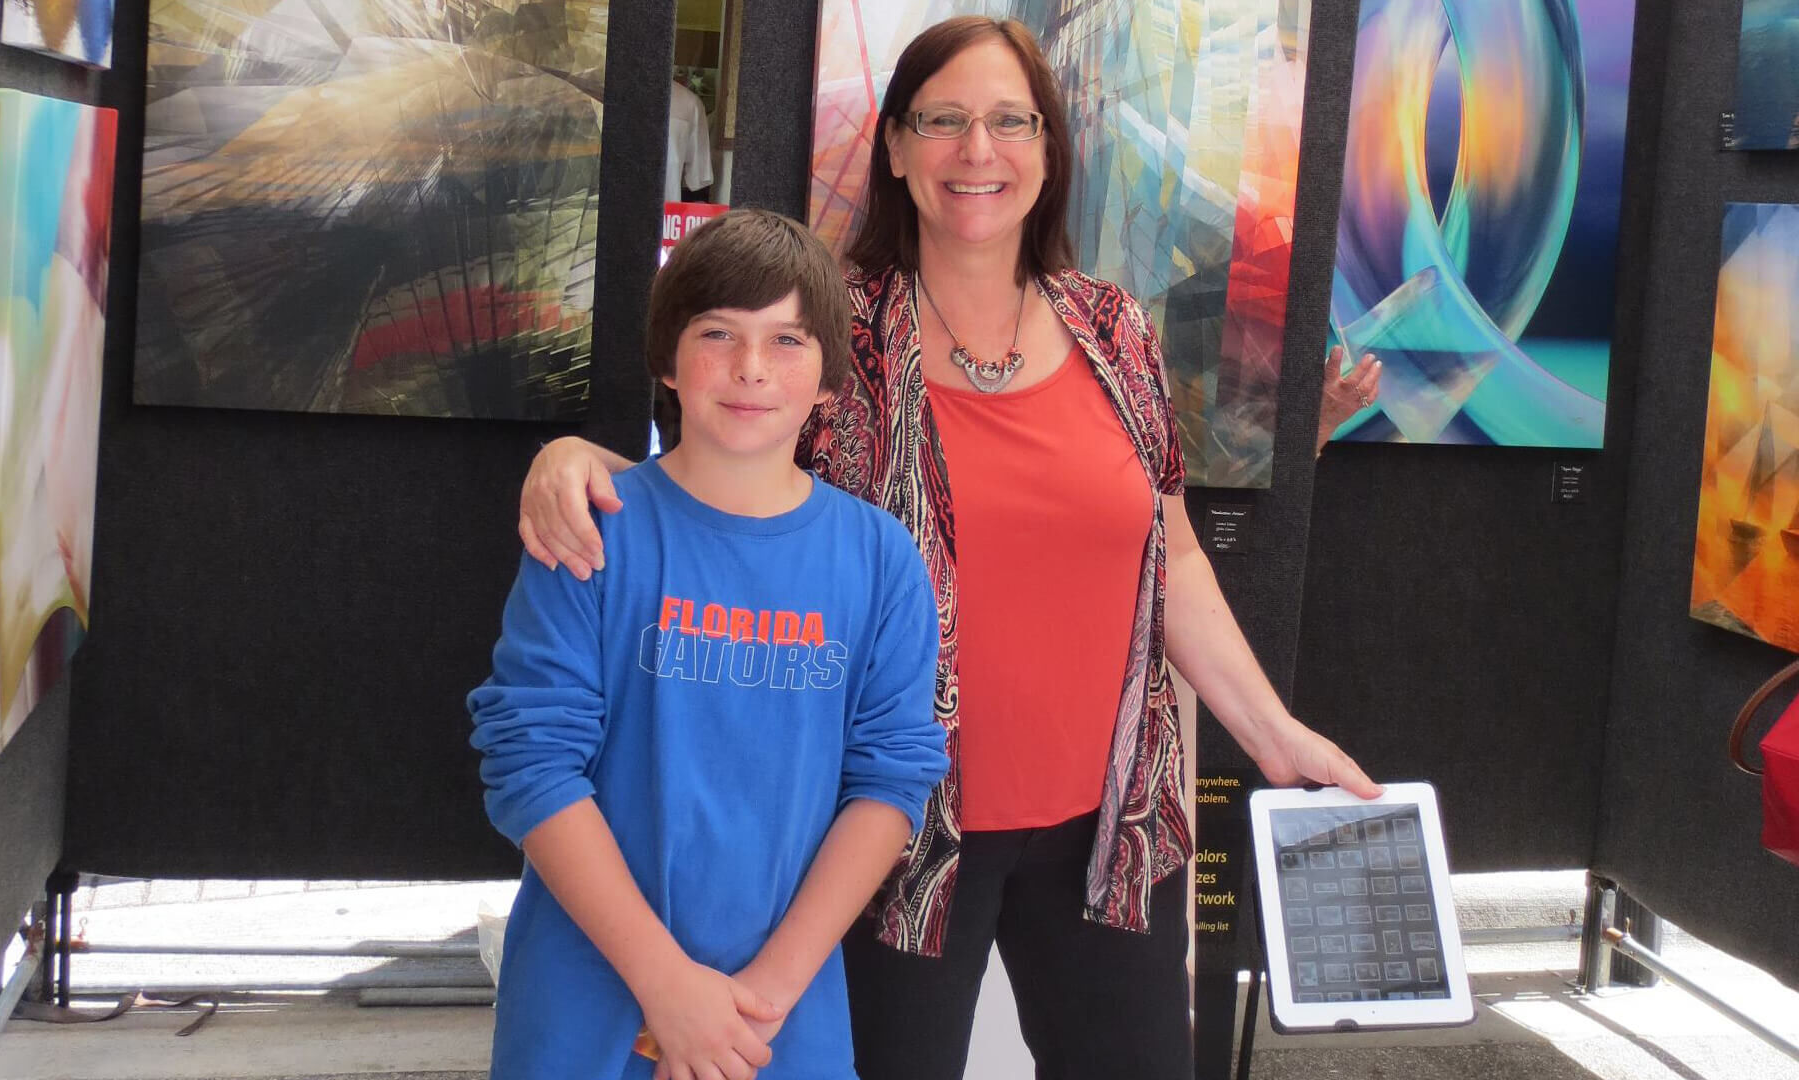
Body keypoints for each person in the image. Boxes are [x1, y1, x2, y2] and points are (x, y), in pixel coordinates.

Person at [517, 17, 1382, 1079]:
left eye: (1011, 121)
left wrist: (1273, 733)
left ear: (1049, 147)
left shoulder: (1115, 331)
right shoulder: (836, 332)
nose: (979, 150)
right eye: (944, 121)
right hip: (890, 834)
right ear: (894, 145)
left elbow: (1172, 557)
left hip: (1112, 827)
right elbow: (717, 478)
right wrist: (574, 458)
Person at [468, 209, 949, 1080]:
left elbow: (891, 781)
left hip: (778, 1022)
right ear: (667, 358)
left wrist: (759, 999)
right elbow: (531, 765)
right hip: (584, 1017)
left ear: (829, 376)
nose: (751, 367)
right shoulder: (590, 531)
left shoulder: (881, 560)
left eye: (787, 340)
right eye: (717, 333)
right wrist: (668, 988)